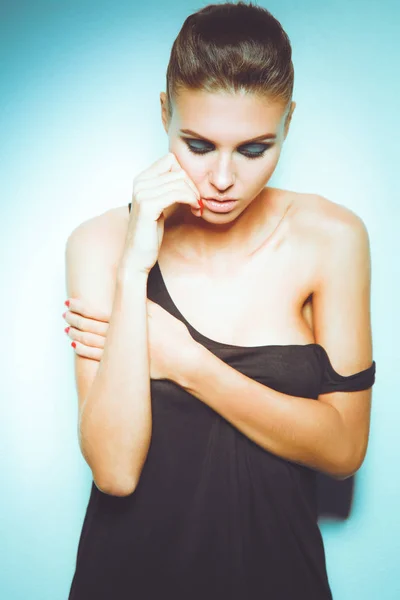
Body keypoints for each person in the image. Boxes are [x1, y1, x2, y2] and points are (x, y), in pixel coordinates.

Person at [64, 2, 376, 598]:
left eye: (255, 148)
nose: (224, 178)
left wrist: (187, 363)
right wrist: (134, 269)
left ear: (289, 122)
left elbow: (344, 450)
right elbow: (115, 471)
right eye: (199, 145)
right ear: (165, 114)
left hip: (280, 578)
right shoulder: (100, 244)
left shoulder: (332, 238)